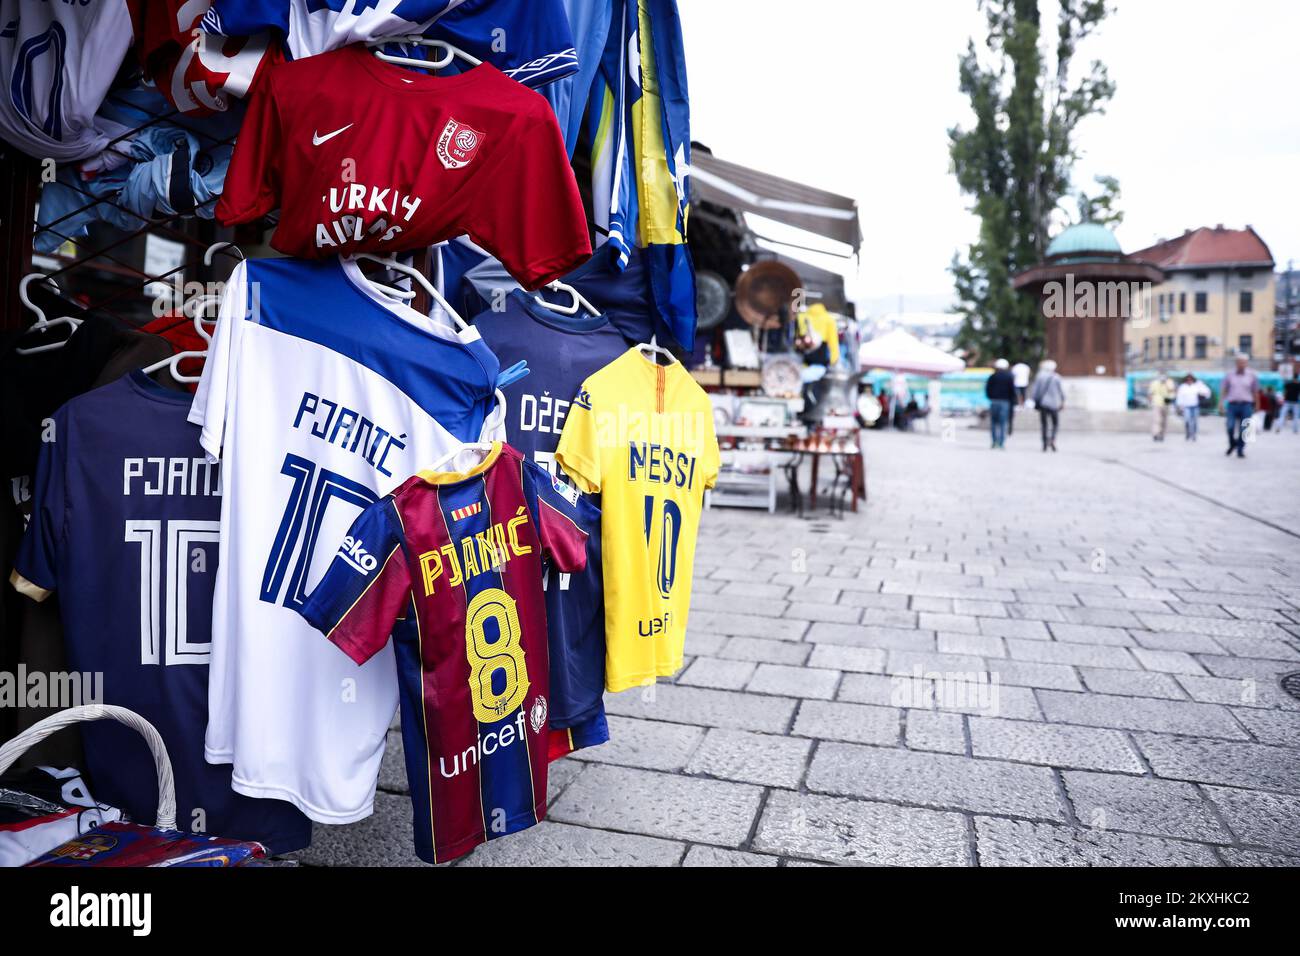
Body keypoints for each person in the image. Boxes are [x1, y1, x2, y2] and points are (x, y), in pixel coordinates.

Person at [1220, 353, 1259, 458]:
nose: (1242, 364)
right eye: (1240, 362)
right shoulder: (1229, 375)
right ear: (1236, 363)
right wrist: (1221, 403)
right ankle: (1233, 444)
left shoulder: (1252, 375)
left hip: (1246, 405)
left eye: (1244, 363)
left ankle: (1240, 449)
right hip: (1232, 405)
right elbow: (1224, 389)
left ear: (1247, 364)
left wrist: (1257, 404)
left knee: (1245, 429)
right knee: (1230, 427)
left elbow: (1255, 391)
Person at [1029, 359, 1065, 452]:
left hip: (1043, 403)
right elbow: (1062, 391)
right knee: (1055, 424)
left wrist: (1035, 400)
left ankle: (1044, 442)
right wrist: (1062, 402)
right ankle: (1052, 439)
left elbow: (1035, 391)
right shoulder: (1057, 377)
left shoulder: (1040, 377)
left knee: (1044, 424)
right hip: (1054, 404)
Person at [985, 358, 1015, 449]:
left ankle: (994, 442)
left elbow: (987, 389)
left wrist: (991, 397)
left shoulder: (992, 376)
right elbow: (1012, 391)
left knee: (994, 423)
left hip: (994, 401)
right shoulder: (1009, 377)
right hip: (1005, 402)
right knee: (1003, 423)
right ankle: (1001, 443)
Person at [1174, 373, 1211, 441]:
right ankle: (1188, 432)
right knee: (1187, 420)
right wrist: (1179, 406)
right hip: (1186, 406)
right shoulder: (1183, 387)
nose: (1189, 381)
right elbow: (1180, 397)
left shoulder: (1197, 386)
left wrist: (1202, 391)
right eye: (1188, 379)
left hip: (1195, 406)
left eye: (1190, 379)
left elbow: (1206, 392)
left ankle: (1194, 434)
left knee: (1195, 421)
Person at [1148, 371, 1175, 442]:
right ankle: (1155, 434)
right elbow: (1150, 393)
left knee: (1164, 421)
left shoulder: (1169, 382)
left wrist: (1165, 384)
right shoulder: (1154, 383)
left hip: (1166, 403)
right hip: (1156, 403)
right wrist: (1150, 402)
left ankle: (1162, 435)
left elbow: (1172, 391)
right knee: (1157, 420)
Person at [1010, 360, 1030, 435]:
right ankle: (1023, 405)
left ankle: (1018, 404)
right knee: (1023, 394)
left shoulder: (1015, 367)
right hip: (1024, 382)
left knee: (1017, 395)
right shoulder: (1026, 367)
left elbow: (1013, 375)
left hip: (1017, 382)